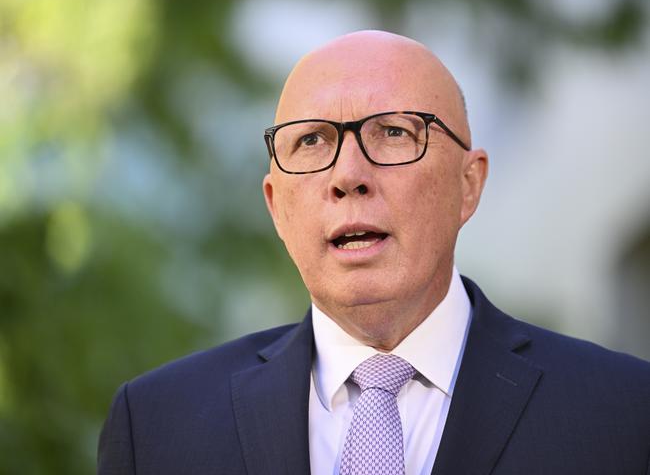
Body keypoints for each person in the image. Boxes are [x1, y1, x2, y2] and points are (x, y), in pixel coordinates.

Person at [98, 31, 650, 474]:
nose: (347, 176)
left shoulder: (625, 413)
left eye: (392, 132)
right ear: (276, 206)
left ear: (468, 184)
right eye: (311, 140)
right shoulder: (156, 426)